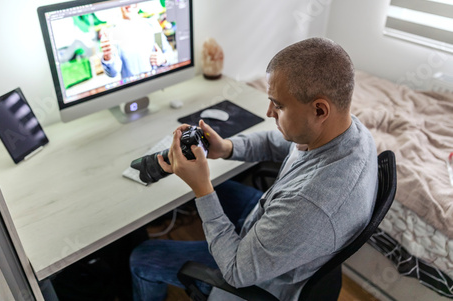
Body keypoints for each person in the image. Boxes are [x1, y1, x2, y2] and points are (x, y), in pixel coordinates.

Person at [129, 37, 378, 300]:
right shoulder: (349, 131)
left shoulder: (311, 203)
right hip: (275, 225)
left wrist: (202, 189)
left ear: (319, 109)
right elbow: (281, 144)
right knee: (217, 189)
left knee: (142, 257)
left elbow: (237, 272)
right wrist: (226, 148)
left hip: (254, 273)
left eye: (279, 105)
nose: (270, 112)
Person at [100, 3, 173, 79]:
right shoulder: (113, 33)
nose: (130, 5)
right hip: (133, 87)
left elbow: (170, 54)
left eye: (133, 0)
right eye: (125, 2)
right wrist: (108, 57)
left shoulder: (152, 26)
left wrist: (163, 59)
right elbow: (113, 73)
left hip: (157, 82)